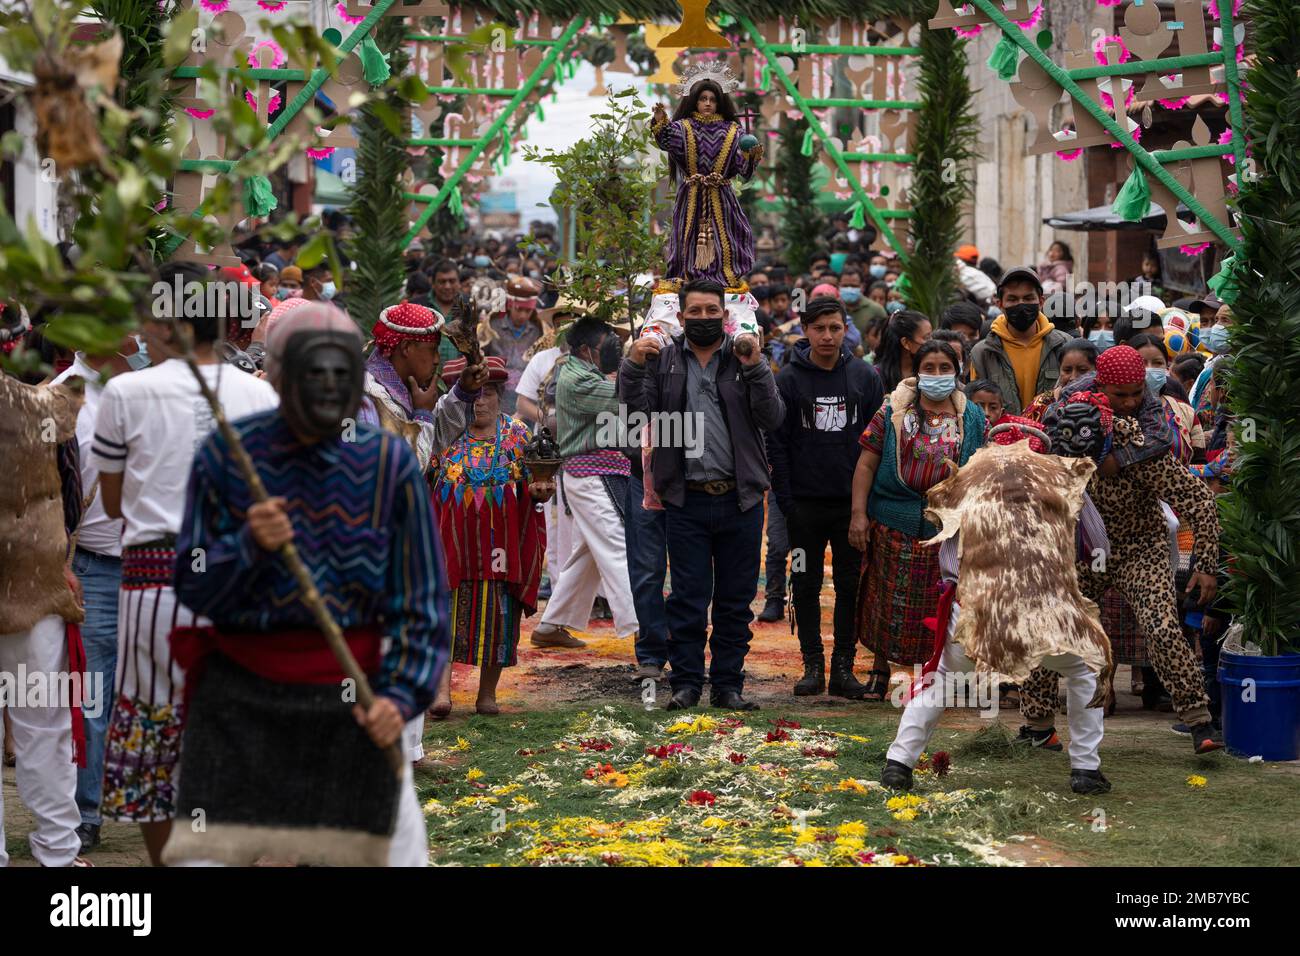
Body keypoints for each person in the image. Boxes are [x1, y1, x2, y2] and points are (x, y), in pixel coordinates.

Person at [166, 304, 446, 867]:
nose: (327, 387)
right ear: (276, 376)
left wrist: (400, 695)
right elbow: (191, 579)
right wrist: (247, 544)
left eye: (340, 373)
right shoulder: (229, 454)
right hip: (241, 704)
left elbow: (422, 602)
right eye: (310, 373)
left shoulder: (386, 463)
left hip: (355, 702)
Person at [92, 262, 280, 865]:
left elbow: (116, 502)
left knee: (153, 733)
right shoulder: (259, 394)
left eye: (147, 317)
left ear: (171, 323)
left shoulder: (126, 391)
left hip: (156, 582)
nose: (141, 331)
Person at [881, 418, 1112, 795]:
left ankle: (898, 764)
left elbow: (948, 562)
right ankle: (1085, 769)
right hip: (1049, 610)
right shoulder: (1062, 478)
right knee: (1086, 671)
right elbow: (1098, 545)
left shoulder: (965, 483)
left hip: (979, 609)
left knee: (942, 684)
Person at [1019, 351, 1223, 755]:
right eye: (1120, 395)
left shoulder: (1142, 446)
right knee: (1048, 625)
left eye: (1135, 394)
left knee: (1162, 626)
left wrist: (1205, 566)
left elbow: (1200, 501)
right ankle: (1038, 725)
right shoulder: (1059, 446)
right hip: (1080, 549)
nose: (1129, 401)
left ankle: (1199, 720)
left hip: (1138, 548)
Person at [618, 278, 784, 710]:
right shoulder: (665, 360)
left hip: (740, 499)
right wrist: (632, 366)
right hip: (685, 500)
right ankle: (686, 685)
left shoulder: (742, 356)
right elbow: (634, 416)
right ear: (681, 316)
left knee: (735, 599)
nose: (705, 318)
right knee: (688, 599)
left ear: (725, 316)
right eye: (696, 312)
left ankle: (729, 686)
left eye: (713, 311)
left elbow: (773, 416)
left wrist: (757, 367)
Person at [849, 340, 985, 701]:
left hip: (948, 527)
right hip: (894, 520)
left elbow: (979, 469)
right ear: (916, 370)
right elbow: (866, 464)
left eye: (945, 368)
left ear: (957, 370)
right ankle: (879, 673)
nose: (937, 375)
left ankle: (936, 680)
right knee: (883, 600)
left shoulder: (971, 416)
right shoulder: (891, 412)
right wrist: (858, 515)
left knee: (940, 606)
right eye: (930, 367)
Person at [48, 335, 142, 853]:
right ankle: (88, 811)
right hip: (93, 569)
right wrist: (59, 563)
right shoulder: (62, 399)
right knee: (93, 697)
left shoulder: (154, 387)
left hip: (162, 564)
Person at [767, 297, 884, 698]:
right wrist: (786, 502)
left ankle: (843, 668)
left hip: (852, 508)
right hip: (803, 508)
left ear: (845, 328)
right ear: (806, 330)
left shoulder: (865, 376)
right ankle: (812, 664)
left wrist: (864, 508)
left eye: (835, 328)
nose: (828, 336)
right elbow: (777, 445)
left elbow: (877, 445)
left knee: (851, 585)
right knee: (804, 582)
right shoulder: (788, 380)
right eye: (819, 328)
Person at [429, 356, 552, 716]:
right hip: (451, 537)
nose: (479, 402)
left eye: (488, 394)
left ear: (500, 395)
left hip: (502, 540)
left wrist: (540, 490)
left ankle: (487, 693)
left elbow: (537, 480)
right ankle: (441, 692)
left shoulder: (517, 436)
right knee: (443, 609)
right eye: (473, 396)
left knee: (500, 612)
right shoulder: (445, 430)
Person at [0, 371, 86, 867]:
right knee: (44, 725)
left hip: (33, 587)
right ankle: (57, 850)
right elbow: (69, 496)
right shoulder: (45, 406)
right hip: (33, 586)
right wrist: (59, 560)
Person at [531, 317, 638, 647]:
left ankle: (551, 625)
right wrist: (638, 368)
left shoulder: (585, 372)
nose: (611, 351)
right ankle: (643, 629)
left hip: (597, 471)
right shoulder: (577, 379)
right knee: (618, 546)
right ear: (585, 350)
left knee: (588, 553)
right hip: (589, 474)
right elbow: (624, 401)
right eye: (606, 345)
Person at [651, 71, 763, 288]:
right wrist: (659, 122)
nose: (708, 103)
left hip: (721, 195)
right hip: (692, 194)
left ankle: (724, 277)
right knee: (687, 236)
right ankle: (687, 277)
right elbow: (665, 140)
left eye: (712, 99)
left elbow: (743, 169)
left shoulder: (734, 132)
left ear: (719, 102)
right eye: (703, 99)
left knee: (729, 238)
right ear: (694, 101)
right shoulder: (682, 128)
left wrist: (750, 155)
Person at [967, 266, 1072, 416]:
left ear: (1041, 302)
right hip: (1000, 437)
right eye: (1013, 299)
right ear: (1000, 304)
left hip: (1051, 436)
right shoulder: (983, 352)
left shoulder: (1064, 345)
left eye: (1028, 298)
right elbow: (976, 408)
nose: (1021, 305)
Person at [485, 275, 543, 414]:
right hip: (497, 397)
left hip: (527, 401)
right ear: (510, 306)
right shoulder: (492, 327)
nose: (523, 315)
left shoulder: (538, 332)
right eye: (519, 309)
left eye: (527, 311)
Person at [1022, 337, 1098, 422]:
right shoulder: (1040, 405)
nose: (1073, 377)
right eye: (1067, 370)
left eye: (1082, 370)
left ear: (1096, 370)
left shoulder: (1103, 404)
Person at [873, 309, 932, 393]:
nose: (932, 342)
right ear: (906, 343)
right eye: (926, 338)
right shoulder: (876, 376)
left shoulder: (931, 371)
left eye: (931, 336)